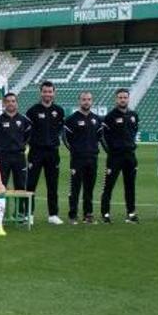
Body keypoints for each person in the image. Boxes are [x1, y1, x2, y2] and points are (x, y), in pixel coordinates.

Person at [25, 81, 66, 225]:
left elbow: (61, 129)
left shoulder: (59, 111)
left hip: (52, 152)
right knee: (30, 184)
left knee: (52, 184)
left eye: (50, 91)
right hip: (36, 152)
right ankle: (28, 214)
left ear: (54, 93)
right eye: (45, 91)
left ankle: (53, 214)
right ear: (40, 92)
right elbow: (27, 131)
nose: (47, 94)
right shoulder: (32, 110)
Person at [0, 93, 32, 220]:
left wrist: (21, 145)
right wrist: (0, 148)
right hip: (3, 158)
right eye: (7, 101)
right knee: (0, 185)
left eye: (13, 101)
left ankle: (20, 213)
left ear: (16, 103)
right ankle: (0, 214)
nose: (10, 103)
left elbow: (28, 135)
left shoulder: (24, 120)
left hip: (19, 157)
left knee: (20, 185)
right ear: (3, 103)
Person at [100, 89, 140, 223]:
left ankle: (131, 213)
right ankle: (105, 214)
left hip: (130, 156)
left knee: (130, 186)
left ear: (128, 99)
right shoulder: (110, 116)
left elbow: (134, 132)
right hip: (115, 157)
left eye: (125, 97)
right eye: (120, 97)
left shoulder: (133, 115)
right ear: (116, 99)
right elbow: (103, 137)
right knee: (108, 186)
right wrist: (111, 152)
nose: (123, 100)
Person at [63, 91, 102, 224]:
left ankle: (88, 215)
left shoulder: (96, 119)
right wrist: (75, 151)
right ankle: (73, 215)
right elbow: (66, 139)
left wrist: (93, 150)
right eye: (84, 99)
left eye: (89, 99)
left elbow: (99, 137)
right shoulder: (71, 119)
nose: (86, 102)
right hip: (77, 159)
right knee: (75, 188)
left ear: (92, 101)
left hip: (92, 158)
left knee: (89, 188)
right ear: (79, 101)